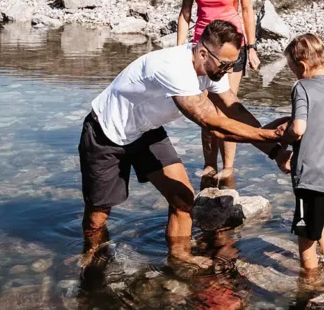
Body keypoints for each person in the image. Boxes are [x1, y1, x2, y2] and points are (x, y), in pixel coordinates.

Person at [79, 19, 288, 266]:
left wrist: (275, 151)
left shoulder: (214, 68)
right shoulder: (174, 67)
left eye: (233, 64)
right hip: (106, 132)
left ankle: (179, 257)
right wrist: (272, 135)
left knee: (183, 199)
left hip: (146, 131)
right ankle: (91, 256)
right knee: (98, 217)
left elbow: (235, 111)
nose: (228, 71)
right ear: (203, 53)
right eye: (225, 64)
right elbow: (211, 123)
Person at [177, 0, 261, 188]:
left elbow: (246, 10)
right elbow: (185, 14)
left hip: (231, 49)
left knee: (226, 108)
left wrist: (251, 47)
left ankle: (228, 168)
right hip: (202, 50)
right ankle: (209, 164)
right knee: (205, 110)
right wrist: (180, 50)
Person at [276, 33, 324, 272]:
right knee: (316, 216)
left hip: (312, 177)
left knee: (305, 235)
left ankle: (310, 281)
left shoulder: (301, 87)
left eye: (292, 70)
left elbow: (298, 129)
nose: (294, 75)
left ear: (302, 66)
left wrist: (283, 137)